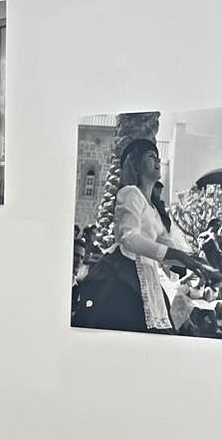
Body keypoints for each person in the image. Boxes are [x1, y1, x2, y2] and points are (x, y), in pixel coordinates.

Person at [72, 139, 212, 332]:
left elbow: (169, 249)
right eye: (150, 156)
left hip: (148, 275)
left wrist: (197, 263)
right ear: (135, 164)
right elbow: (130, 238)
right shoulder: (130, 193)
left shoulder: (153, 210)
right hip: (124, 272)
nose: (157, 161)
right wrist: (179, 256)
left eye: (158, 157)